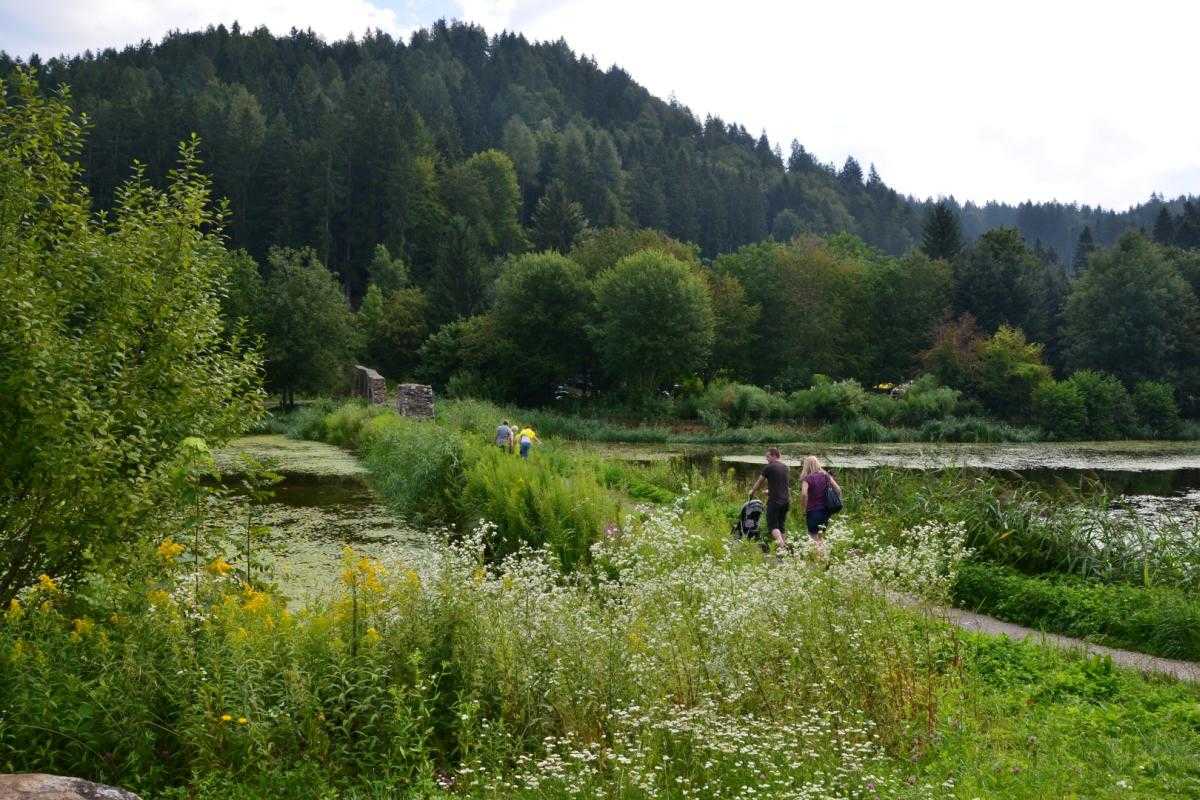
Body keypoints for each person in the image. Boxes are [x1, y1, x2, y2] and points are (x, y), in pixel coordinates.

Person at [747, 447, 790, 553]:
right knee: (781, 525)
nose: (766, 459)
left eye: (768, 456)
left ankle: (783, 547)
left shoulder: (769, 467)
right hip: (786, 501)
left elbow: (759, 482)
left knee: (773, 526)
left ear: (774, 455)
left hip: (775, 501)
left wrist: (752, 491)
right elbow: (782, 485)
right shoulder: (785, 467)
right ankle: (783, 551)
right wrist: (769, 491)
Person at [798, 455, 841, 542]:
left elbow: (804, 494)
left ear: (806, 466)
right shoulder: (826, 476)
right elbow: (838, 489)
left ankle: (817, 551)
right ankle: (823, 550)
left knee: (813, 537)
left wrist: (804, 508)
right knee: (821, 537)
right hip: (826, 511)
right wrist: (836, 500)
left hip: (813, 511)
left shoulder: (807, 479)